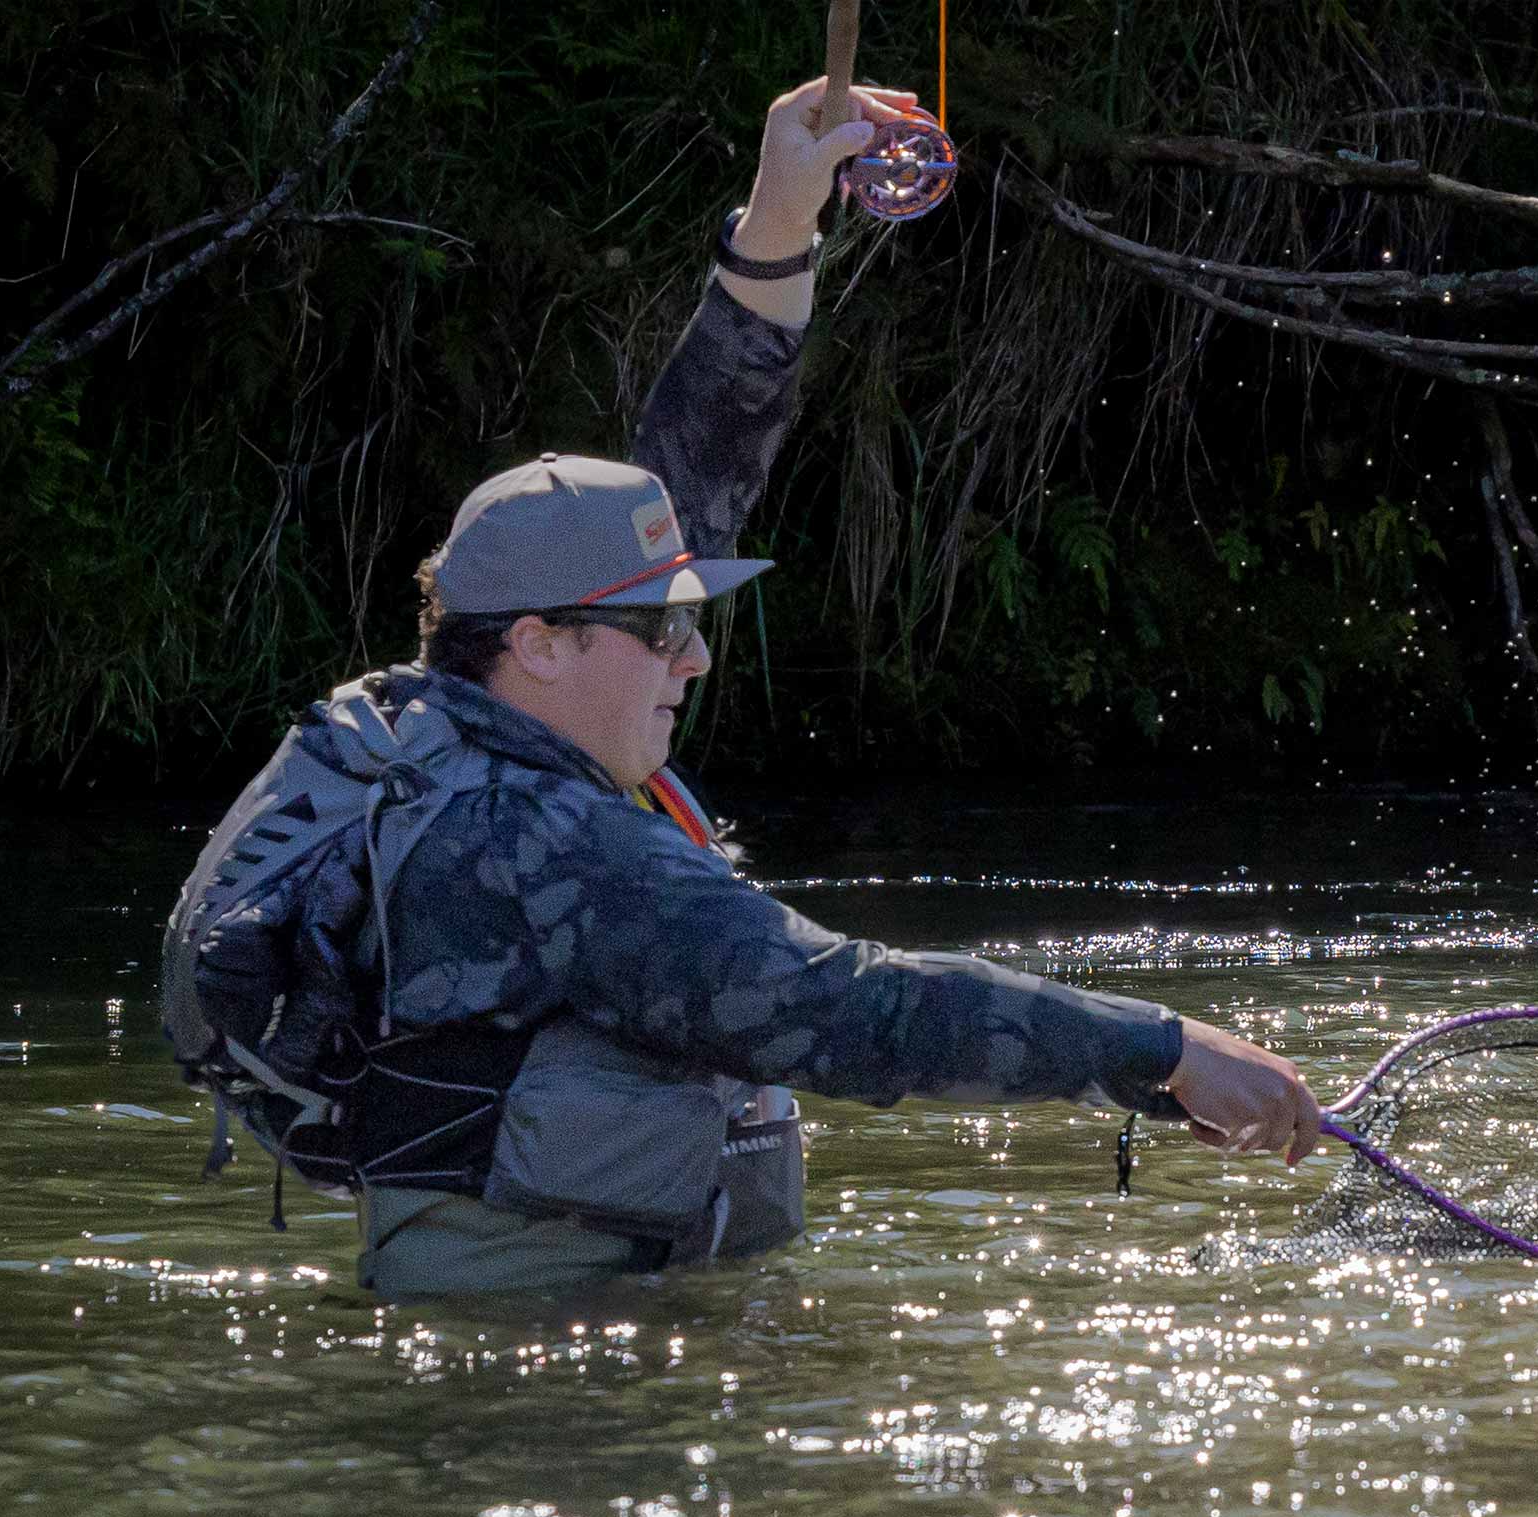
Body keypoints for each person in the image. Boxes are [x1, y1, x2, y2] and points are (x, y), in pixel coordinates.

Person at [160, 73, 1324, 1298]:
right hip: (543, 1368)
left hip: (617, 1302)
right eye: (664, 629)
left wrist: (781, 215)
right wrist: (1163, 1051)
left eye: (692, 620)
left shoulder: (452, 726)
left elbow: (692, 467)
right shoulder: (538, 842)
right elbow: (848, 1010)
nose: (698, 655)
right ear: (540, 644)